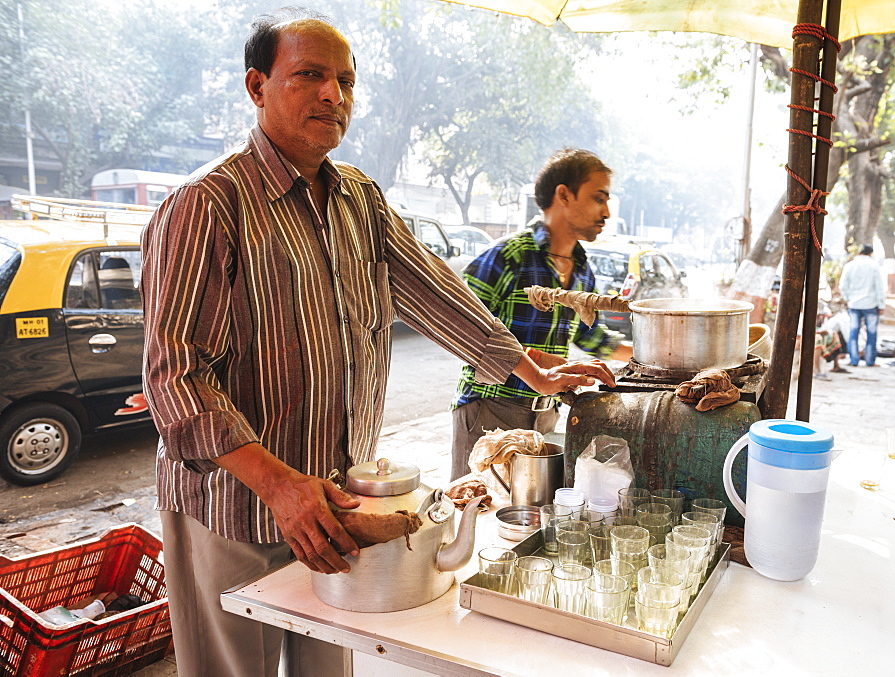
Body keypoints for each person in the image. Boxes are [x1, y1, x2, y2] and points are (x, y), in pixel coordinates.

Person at [140, 10, 615, 676]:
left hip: (340, 504)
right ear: (257, 86)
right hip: (234, 506)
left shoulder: (360, 198)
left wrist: (534, 371)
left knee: (329, 663)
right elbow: (176, 378)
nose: (334, 96)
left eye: (346, 81)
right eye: (310, 75)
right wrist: (281, 488)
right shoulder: (205, 204)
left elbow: (439, 295)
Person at [450, 149, 631, 481]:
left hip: (547, 415)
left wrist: (658, 359)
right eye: (598, 198)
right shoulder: (507, 257)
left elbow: (592, 338)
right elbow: (459, 329)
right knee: (476, 508)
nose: (606, 212)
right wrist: (535, 361)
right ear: (563, 194)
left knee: (527, 516)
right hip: (490, 412)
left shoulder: (582, 272)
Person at [839, 244, 885, 367]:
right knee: (871, 333)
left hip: (854, 304)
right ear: (870, 253)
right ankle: (870, 361)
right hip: (871, 304)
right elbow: (879, 287)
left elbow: (842, 286)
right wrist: (881, 304)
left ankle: (854, 360)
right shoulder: (874, 265)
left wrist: (848, 299)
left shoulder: (849, 266)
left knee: (853, 332)